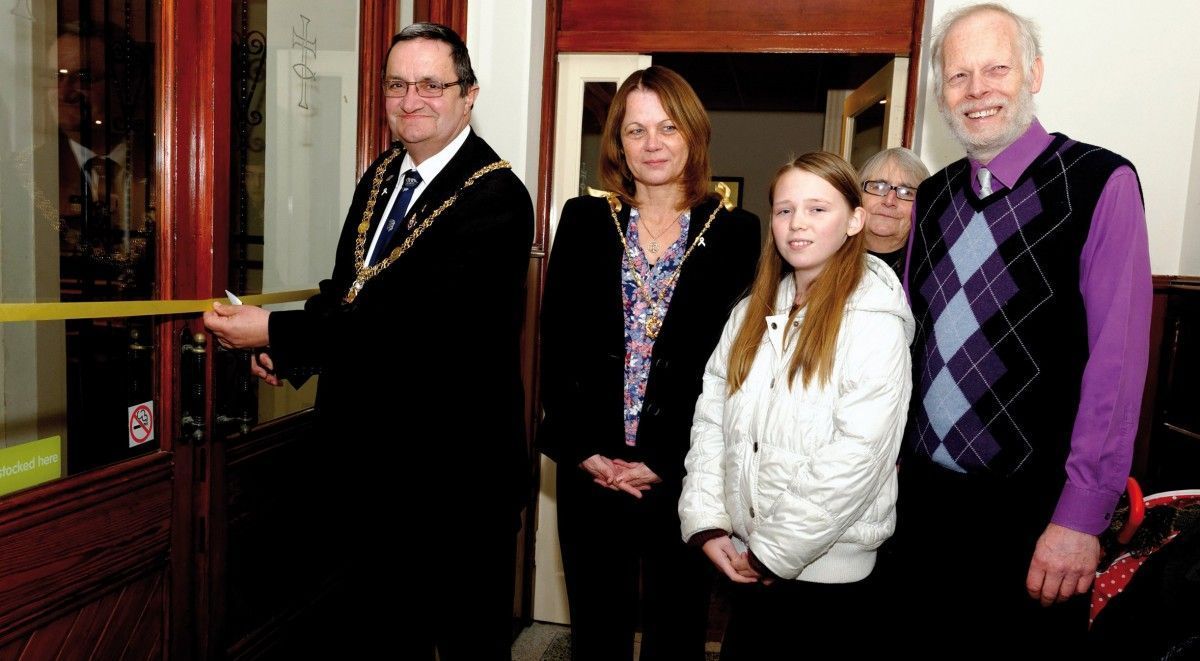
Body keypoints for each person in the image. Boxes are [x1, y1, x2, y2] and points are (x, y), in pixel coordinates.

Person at [203, 23, 534, 660]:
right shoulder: (383, 174)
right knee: (381, 634)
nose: (412, 99)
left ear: (468, 95)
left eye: (431, 84)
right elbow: (349, 291)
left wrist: (273, 328)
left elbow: (416, 329)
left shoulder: (499, 198)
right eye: (397, 84)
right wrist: (287, 353)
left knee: (468, 642)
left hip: (458, 481)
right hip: (369, 468)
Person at [894, 3, 1151, 655]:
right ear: (940, 93)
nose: (976, 90)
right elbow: (905, 351)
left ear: (1034, 73)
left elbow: (1115, 372)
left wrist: (1080, 516)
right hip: (921, 509)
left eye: (996, 68)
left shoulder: (1100, 183)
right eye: (958, 76)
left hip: (1033, 518)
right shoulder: (933, 197)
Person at [538, 65, 760, 661]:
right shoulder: (584, 220)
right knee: (597, 627)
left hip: (683, 469)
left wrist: (664, 463)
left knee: (678, 628)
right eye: (636, 131)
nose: (652, 143)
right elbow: (553, 342)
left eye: (667, 127)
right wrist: (581, 449)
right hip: (592, 464)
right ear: (618, 144)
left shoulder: (739, 232)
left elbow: (738, 364)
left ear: (693, 135)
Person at [678, 151, 914, 660]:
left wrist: (772, 551)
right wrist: (709, 521)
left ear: (855, 220)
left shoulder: (874, 320)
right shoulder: (752, 309)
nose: (797, 224)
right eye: (784, 210)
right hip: (750, 556)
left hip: (828, 581)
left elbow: (859, 452)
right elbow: (712, 417)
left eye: (817, 209)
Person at [857, 147, 929, 276]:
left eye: (906, 192)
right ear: (858, 194)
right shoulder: (825, 258)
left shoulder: (931, 273)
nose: (889, 201)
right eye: (878, 187)